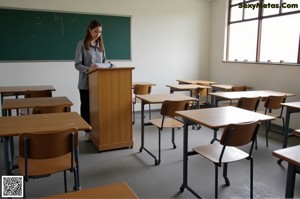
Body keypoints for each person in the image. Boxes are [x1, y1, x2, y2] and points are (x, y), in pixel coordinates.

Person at [74, 20, 106, 141]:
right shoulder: (81, 44)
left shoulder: (101, 46)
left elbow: (103, 63)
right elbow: (77, 65)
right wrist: (90, 68)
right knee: (86, 107)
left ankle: (97, 130)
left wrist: (108, 65)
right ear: (89, 30)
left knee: (97, 107)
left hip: (99, 84)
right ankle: (87, 131)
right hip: (85, 83)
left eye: (100, 32)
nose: (98, 34)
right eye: (95, 31)